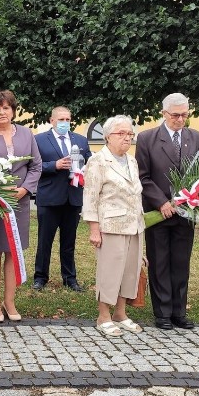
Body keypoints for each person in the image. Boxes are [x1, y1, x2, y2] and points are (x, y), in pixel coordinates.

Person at [136, 92, 199, 330]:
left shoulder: (196, 138)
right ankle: (162, 313)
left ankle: (179, 311)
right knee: (160, 261)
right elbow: (143, 177)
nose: (180, 119)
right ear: (164, 114)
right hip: (159, 212)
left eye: (185, 115)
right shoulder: (147, 138)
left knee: (180, 262)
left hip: (186, 211)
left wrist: (192, 201)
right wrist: (161, 202)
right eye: (175, 115)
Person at [0, 90, 41, 322]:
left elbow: (36, 166)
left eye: (6, 108)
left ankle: (10, 301)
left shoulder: (26, 133)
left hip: (20, 202)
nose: (1, 112)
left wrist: (25, 189)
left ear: (13, 110)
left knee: (14, 252)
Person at [83, 116, 144, 337]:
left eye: (130, 134)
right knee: (109, 272)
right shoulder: (98, 161)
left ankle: (121, 313)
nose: (127, 138)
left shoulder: (132, 161)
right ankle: (103, 316)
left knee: (129, 271)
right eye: (121, 134)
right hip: (111, 224)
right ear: (108, 136)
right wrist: (94, 228)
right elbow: (90, 197)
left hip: (135, 224)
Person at [33, 106, 91, 292]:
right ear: (52, 120)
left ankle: (70, 278)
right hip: (49, 198)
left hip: (72, 198)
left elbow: (90, 162)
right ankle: (40, 277)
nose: (65, 123)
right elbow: (33, 166)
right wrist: (54, 165)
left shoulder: (81, 140)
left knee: (69, 242)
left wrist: (84, 168)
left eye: (68, 119)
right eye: (61, 120)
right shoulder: (39, 140)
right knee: (45, 241)